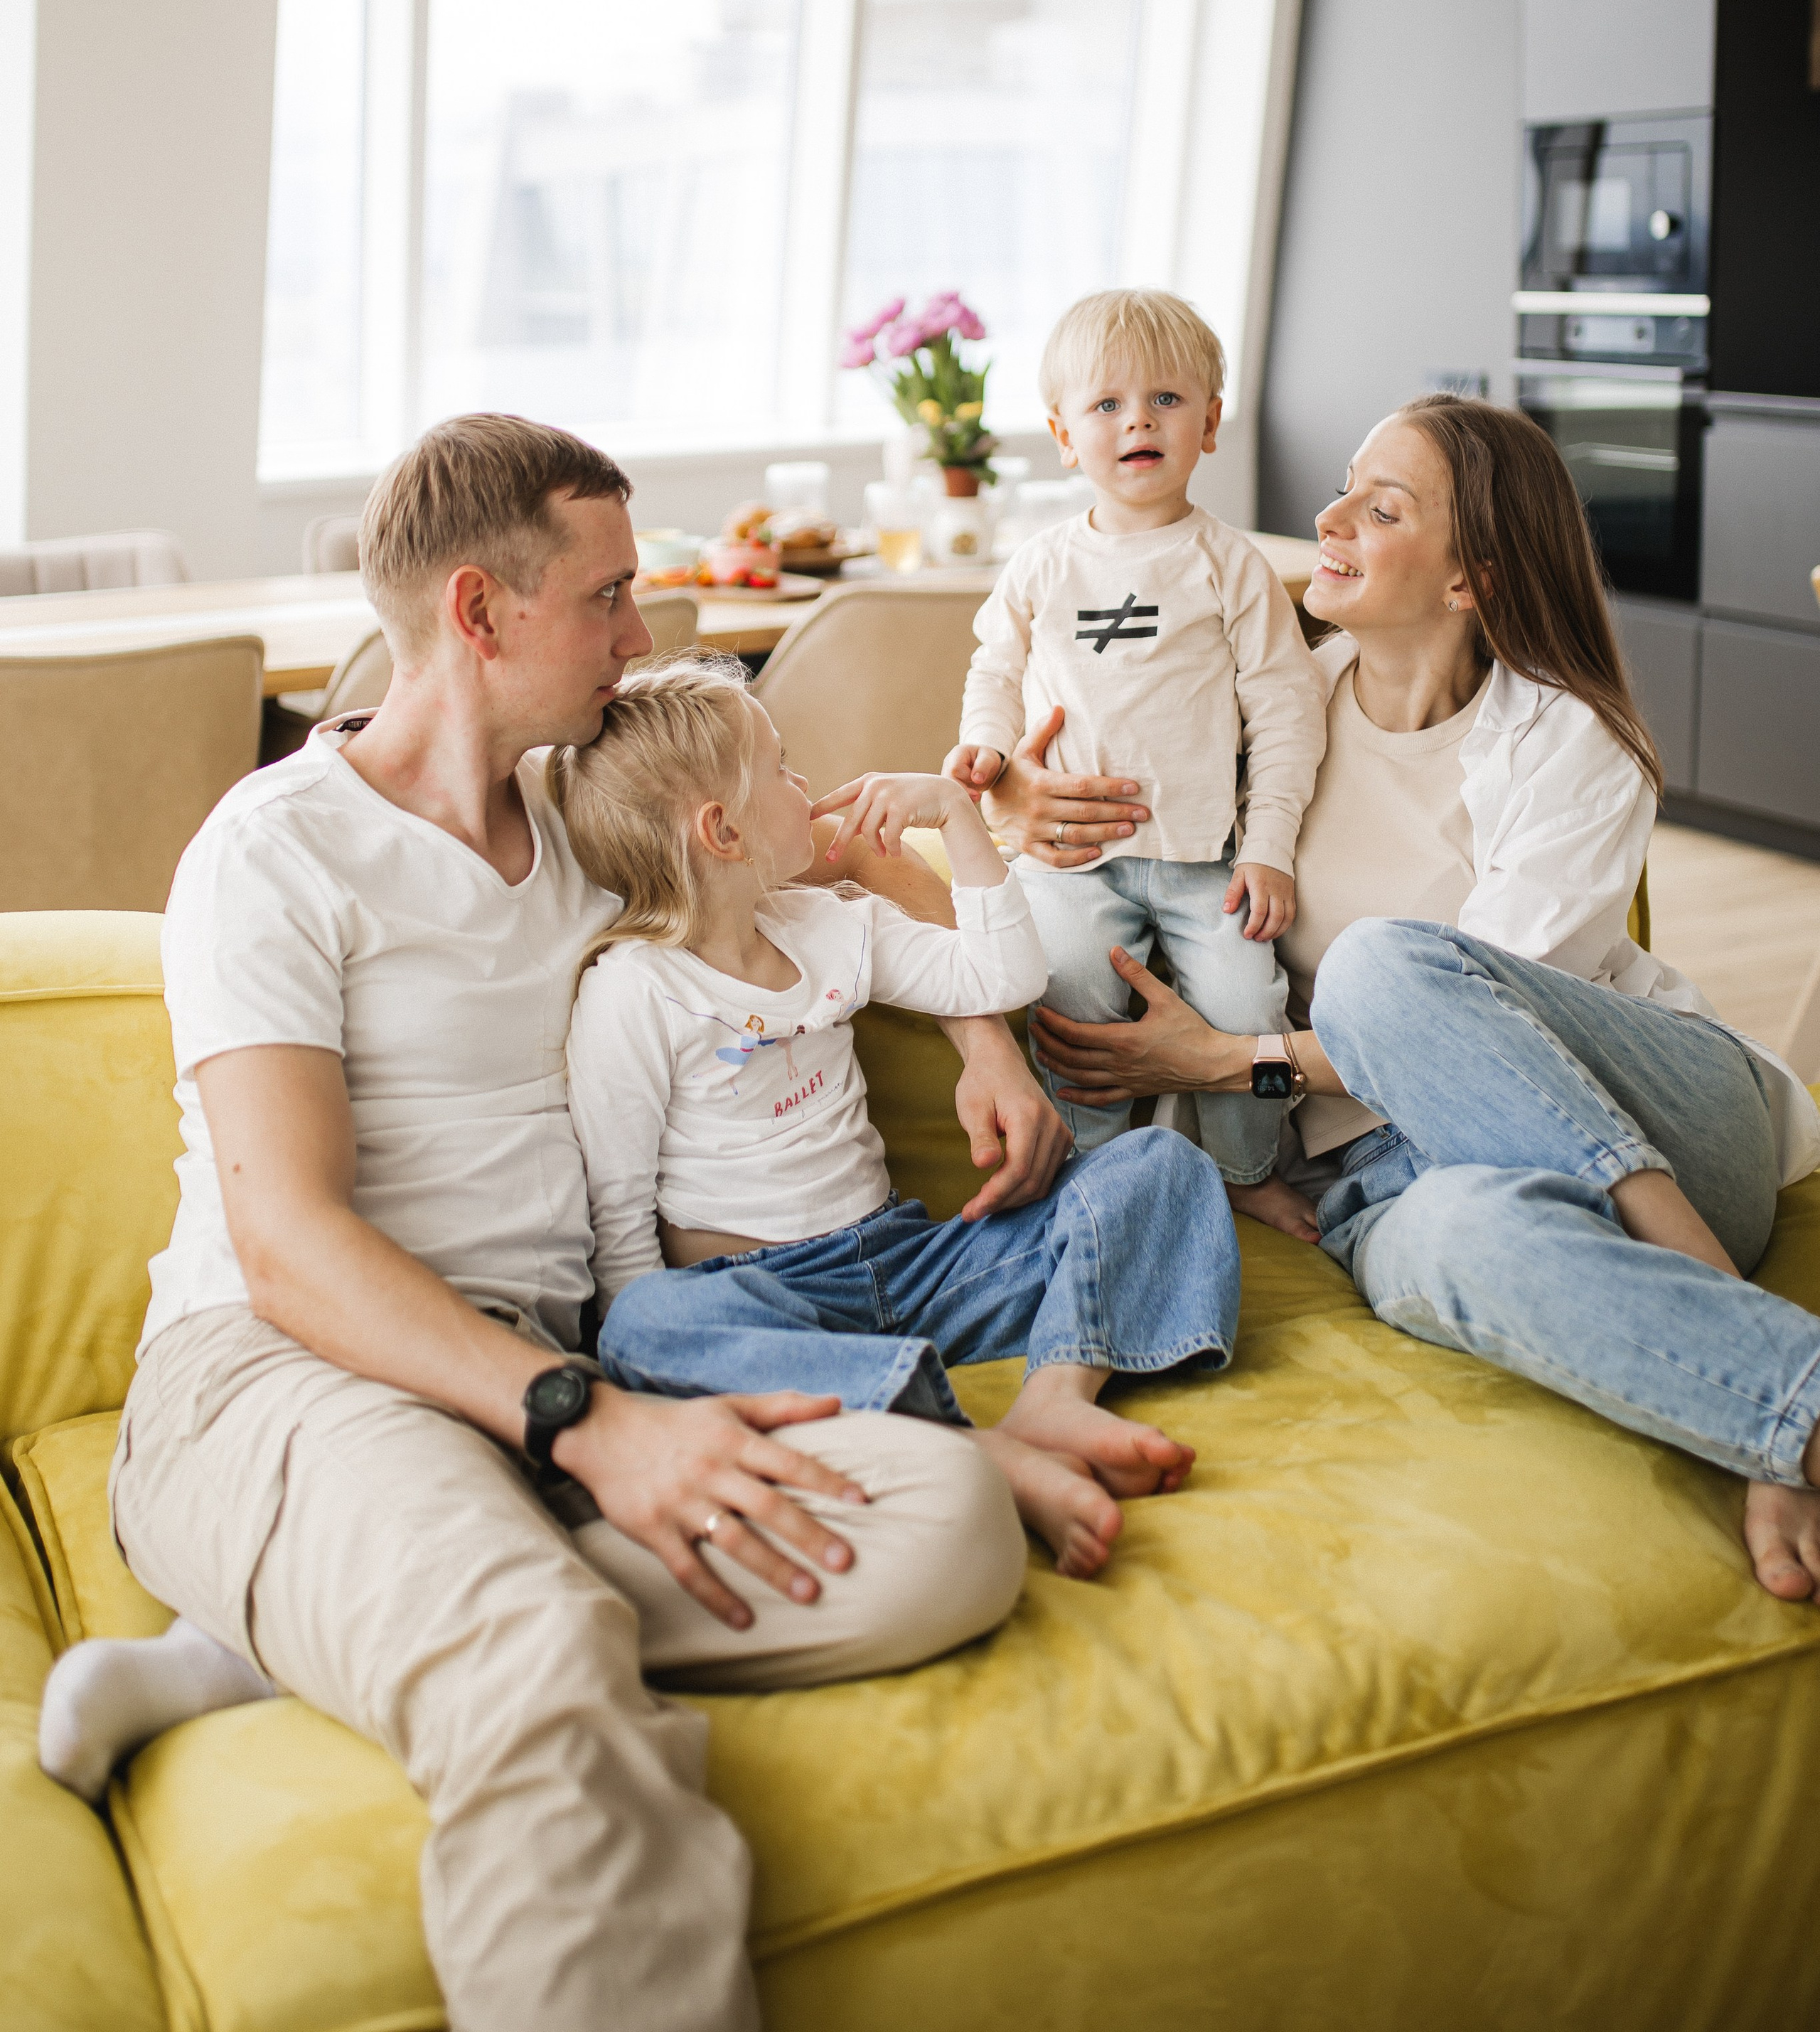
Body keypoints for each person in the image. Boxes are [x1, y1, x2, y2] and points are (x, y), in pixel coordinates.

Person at [42, 415, 1051, 2032]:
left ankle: (290, 1627)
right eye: (607, 597)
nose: (644, 635)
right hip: (286, 1374)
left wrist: (988, 1038)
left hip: (531, 1394)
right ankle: (439, 1602)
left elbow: (842, 888)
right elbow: (290, 1242)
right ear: (478, 610)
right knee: (536, 1654)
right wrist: (591, 1424)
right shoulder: (275, 851)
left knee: (943, 1519)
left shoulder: (594, 835)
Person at [993, 392, 1820, 1602]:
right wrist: (1021, 810)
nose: (1327, 519)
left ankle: (1716, 1294)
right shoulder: (1274, 704)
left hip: (1668, 1117)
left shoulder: (1573, 739)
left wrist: (1231, 1064)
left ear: (1470, 578)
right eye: (1345, 490)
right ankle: (1785, 1411)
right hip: (1383, 1175)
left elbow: (1471, 1017)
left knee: (1387, 963)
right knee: (1455, 1243)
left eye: (1380, 510)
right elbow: (1115, 835)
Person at [555, 658, 1234, 1581]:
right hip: (765, 1300)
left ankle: (1057, 1396)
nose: (809, 785)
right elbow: (618, 1215)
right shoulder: (634, 989)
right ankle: (973, 1451)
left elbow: (1002, 978)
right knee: (640, 1325)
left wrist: (956, 814)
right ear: (722, 830)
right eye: (784, 770)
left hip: (907, 1264)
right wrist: (648, 1353)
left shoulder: (830, 923)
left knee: (1160, 1166)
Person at [946, 287, 1327, 1192]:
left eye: (1166, 399)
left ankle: (1248, 1169)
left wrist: (1268, 849)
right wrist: (985, 749)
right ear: (1063, 435)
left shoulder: (1231, 564)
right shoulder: (1042, 563)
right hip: (1073, 858)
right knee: (1068, 988)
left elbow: (1284, 709)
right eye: (1106, 404)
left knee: (1246, 1002)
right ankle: (1097, 1169)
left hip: (1206, 860)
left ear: (1210, 423)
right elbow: (993, 671)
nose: (1137, 422)